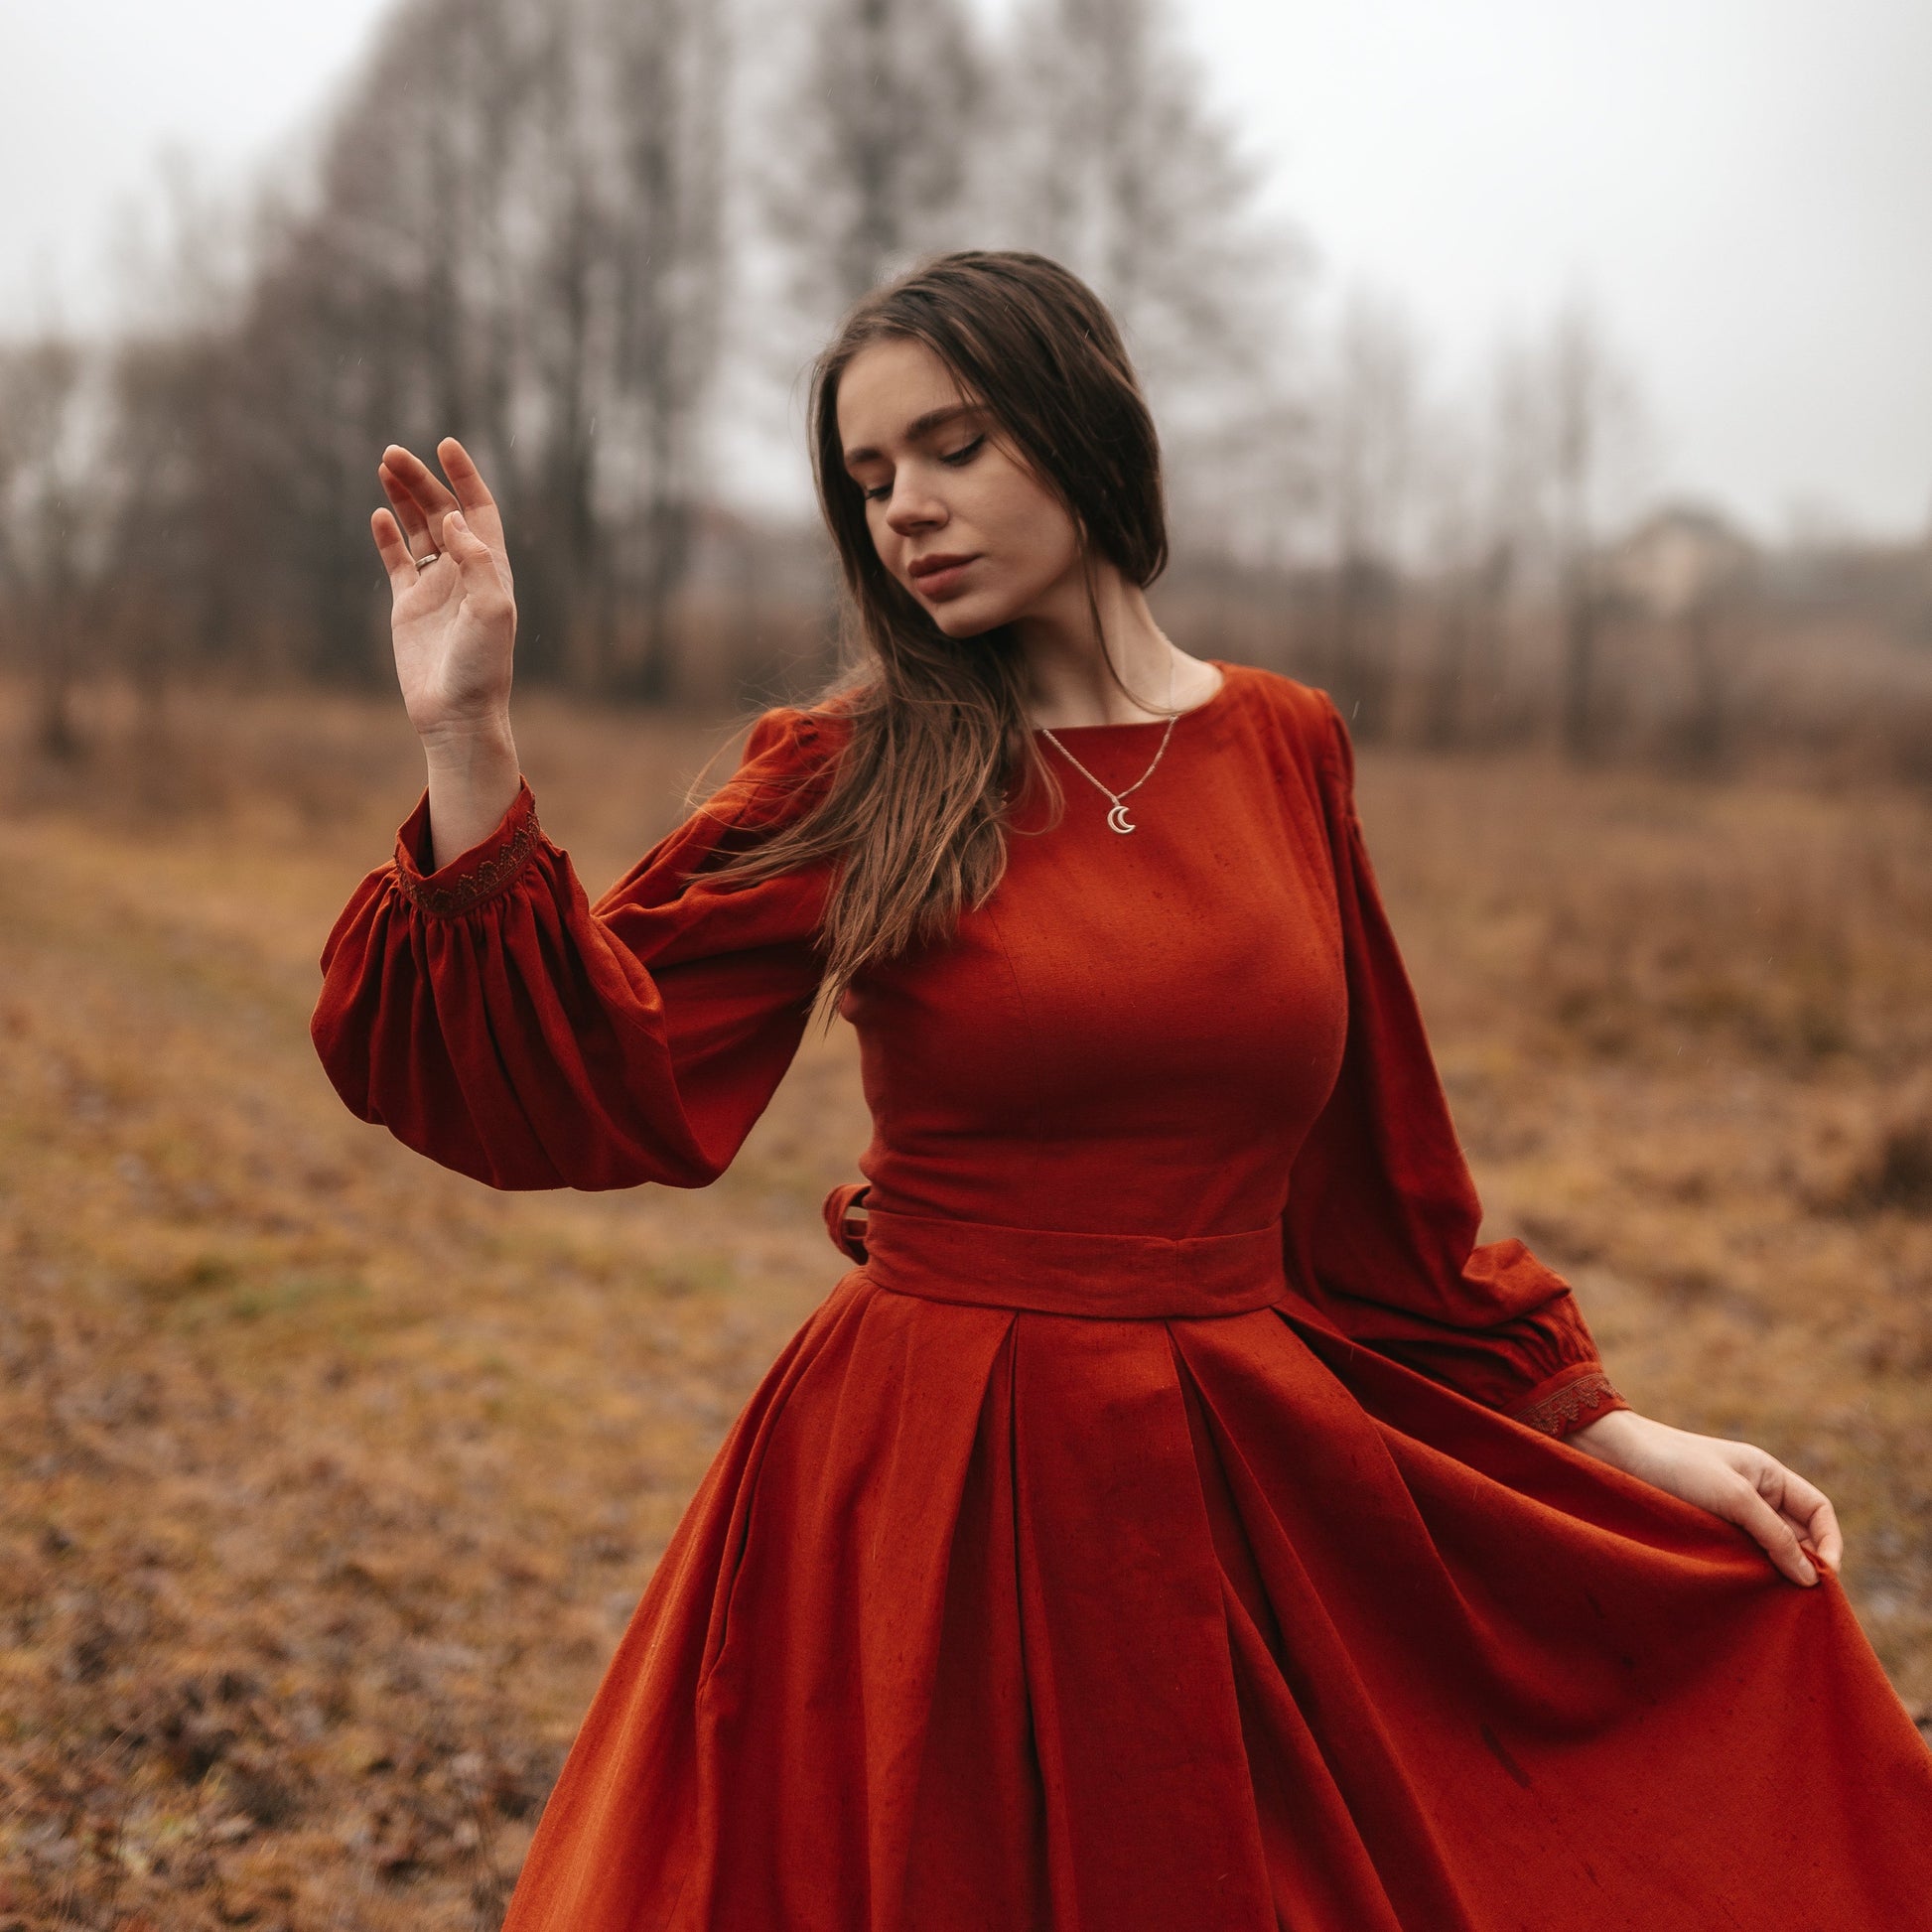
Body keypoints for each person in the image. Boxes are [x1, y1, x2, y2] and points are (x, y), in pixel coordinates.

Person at [314, 252, 1931, 1930]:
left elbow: (1379, 1185)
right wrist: (469, 732)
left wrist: (1602, 1428)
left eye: (951, 448)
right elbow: (589, 1071)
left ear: (1085, 431)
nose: (906, 511)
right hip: (932, 1487)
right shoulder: (864, 766)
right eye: (868, 479)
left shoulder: (1288, 743)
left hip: (1246, 1471)